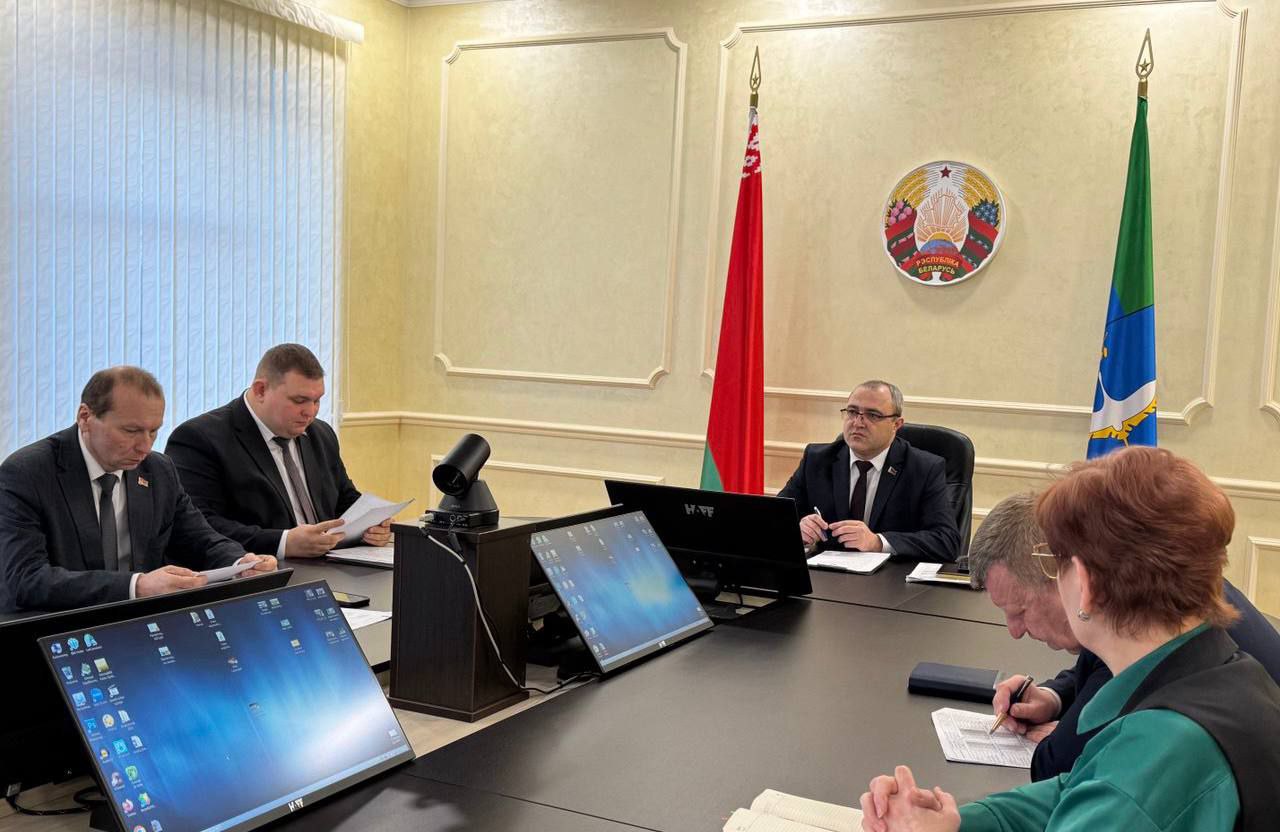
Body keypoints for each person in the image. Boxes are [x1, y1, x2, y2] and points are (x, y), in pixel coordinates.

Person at [859, 447, 1280, 832]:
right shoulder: (1227, 670)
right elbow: (1071, 790)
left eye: (1055, 562)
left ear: (1085, 582)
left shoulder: (1160, 752)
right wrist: (953, 824)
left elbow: (1108, 793)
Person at [968, 491, 1280, 780]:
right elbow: (1097, 669)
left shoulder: (1137, 624)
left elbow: (1057, 766)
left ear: (1062, 576)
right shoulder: (1152, 583)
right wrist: (1054, 697)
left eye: (1020, 611)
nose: (1015, 631)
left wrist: (1063, 738)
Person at [0, 367, 275, 613]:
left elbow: (200, 538)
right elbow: (25, 578)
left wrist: (241, 562)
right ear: (85, 417)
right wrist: (136, 586)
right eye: (131, 431)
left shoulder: (158, 470)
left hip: (143, 623)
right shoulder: (28, 473)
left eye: (153, 431)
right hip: (59, 628)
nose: (145, 446)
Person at [166, 343, 389, 559]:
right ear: (261, 390)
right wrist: (283, 542)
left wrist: (370, 525)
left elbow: (344, 499)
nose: (310, 412)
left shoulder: (321, 434)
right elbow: (199, 526)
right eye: (299, 401)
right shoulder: (200, 438)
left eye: (317, 401)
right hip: (260, 569)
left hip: (332, 563)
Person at [778, 380, 959, 562]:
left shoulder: (924, 468)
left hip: (891, 576)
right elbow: (773, 519)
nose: (858, 423)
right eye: (852, 412)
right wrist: (798, 528)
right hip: (826, 575)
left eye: (872, 415)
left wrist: (878, 542)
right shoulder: (817, 459)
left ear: (896, 424)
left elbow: (947, 541)